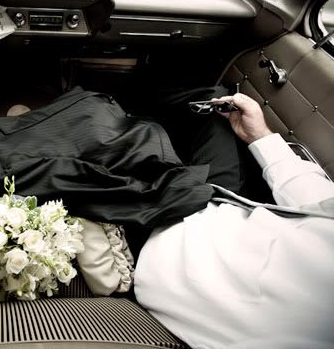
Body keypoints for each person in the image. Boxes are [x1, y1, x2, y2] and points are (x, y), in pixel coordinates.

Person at [134, 92, 334, 349]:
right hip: (221, 207)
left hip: (160, 253)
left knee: (102, 128)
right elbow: (318, 200)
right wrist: (259, 135)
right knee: (212, 102)